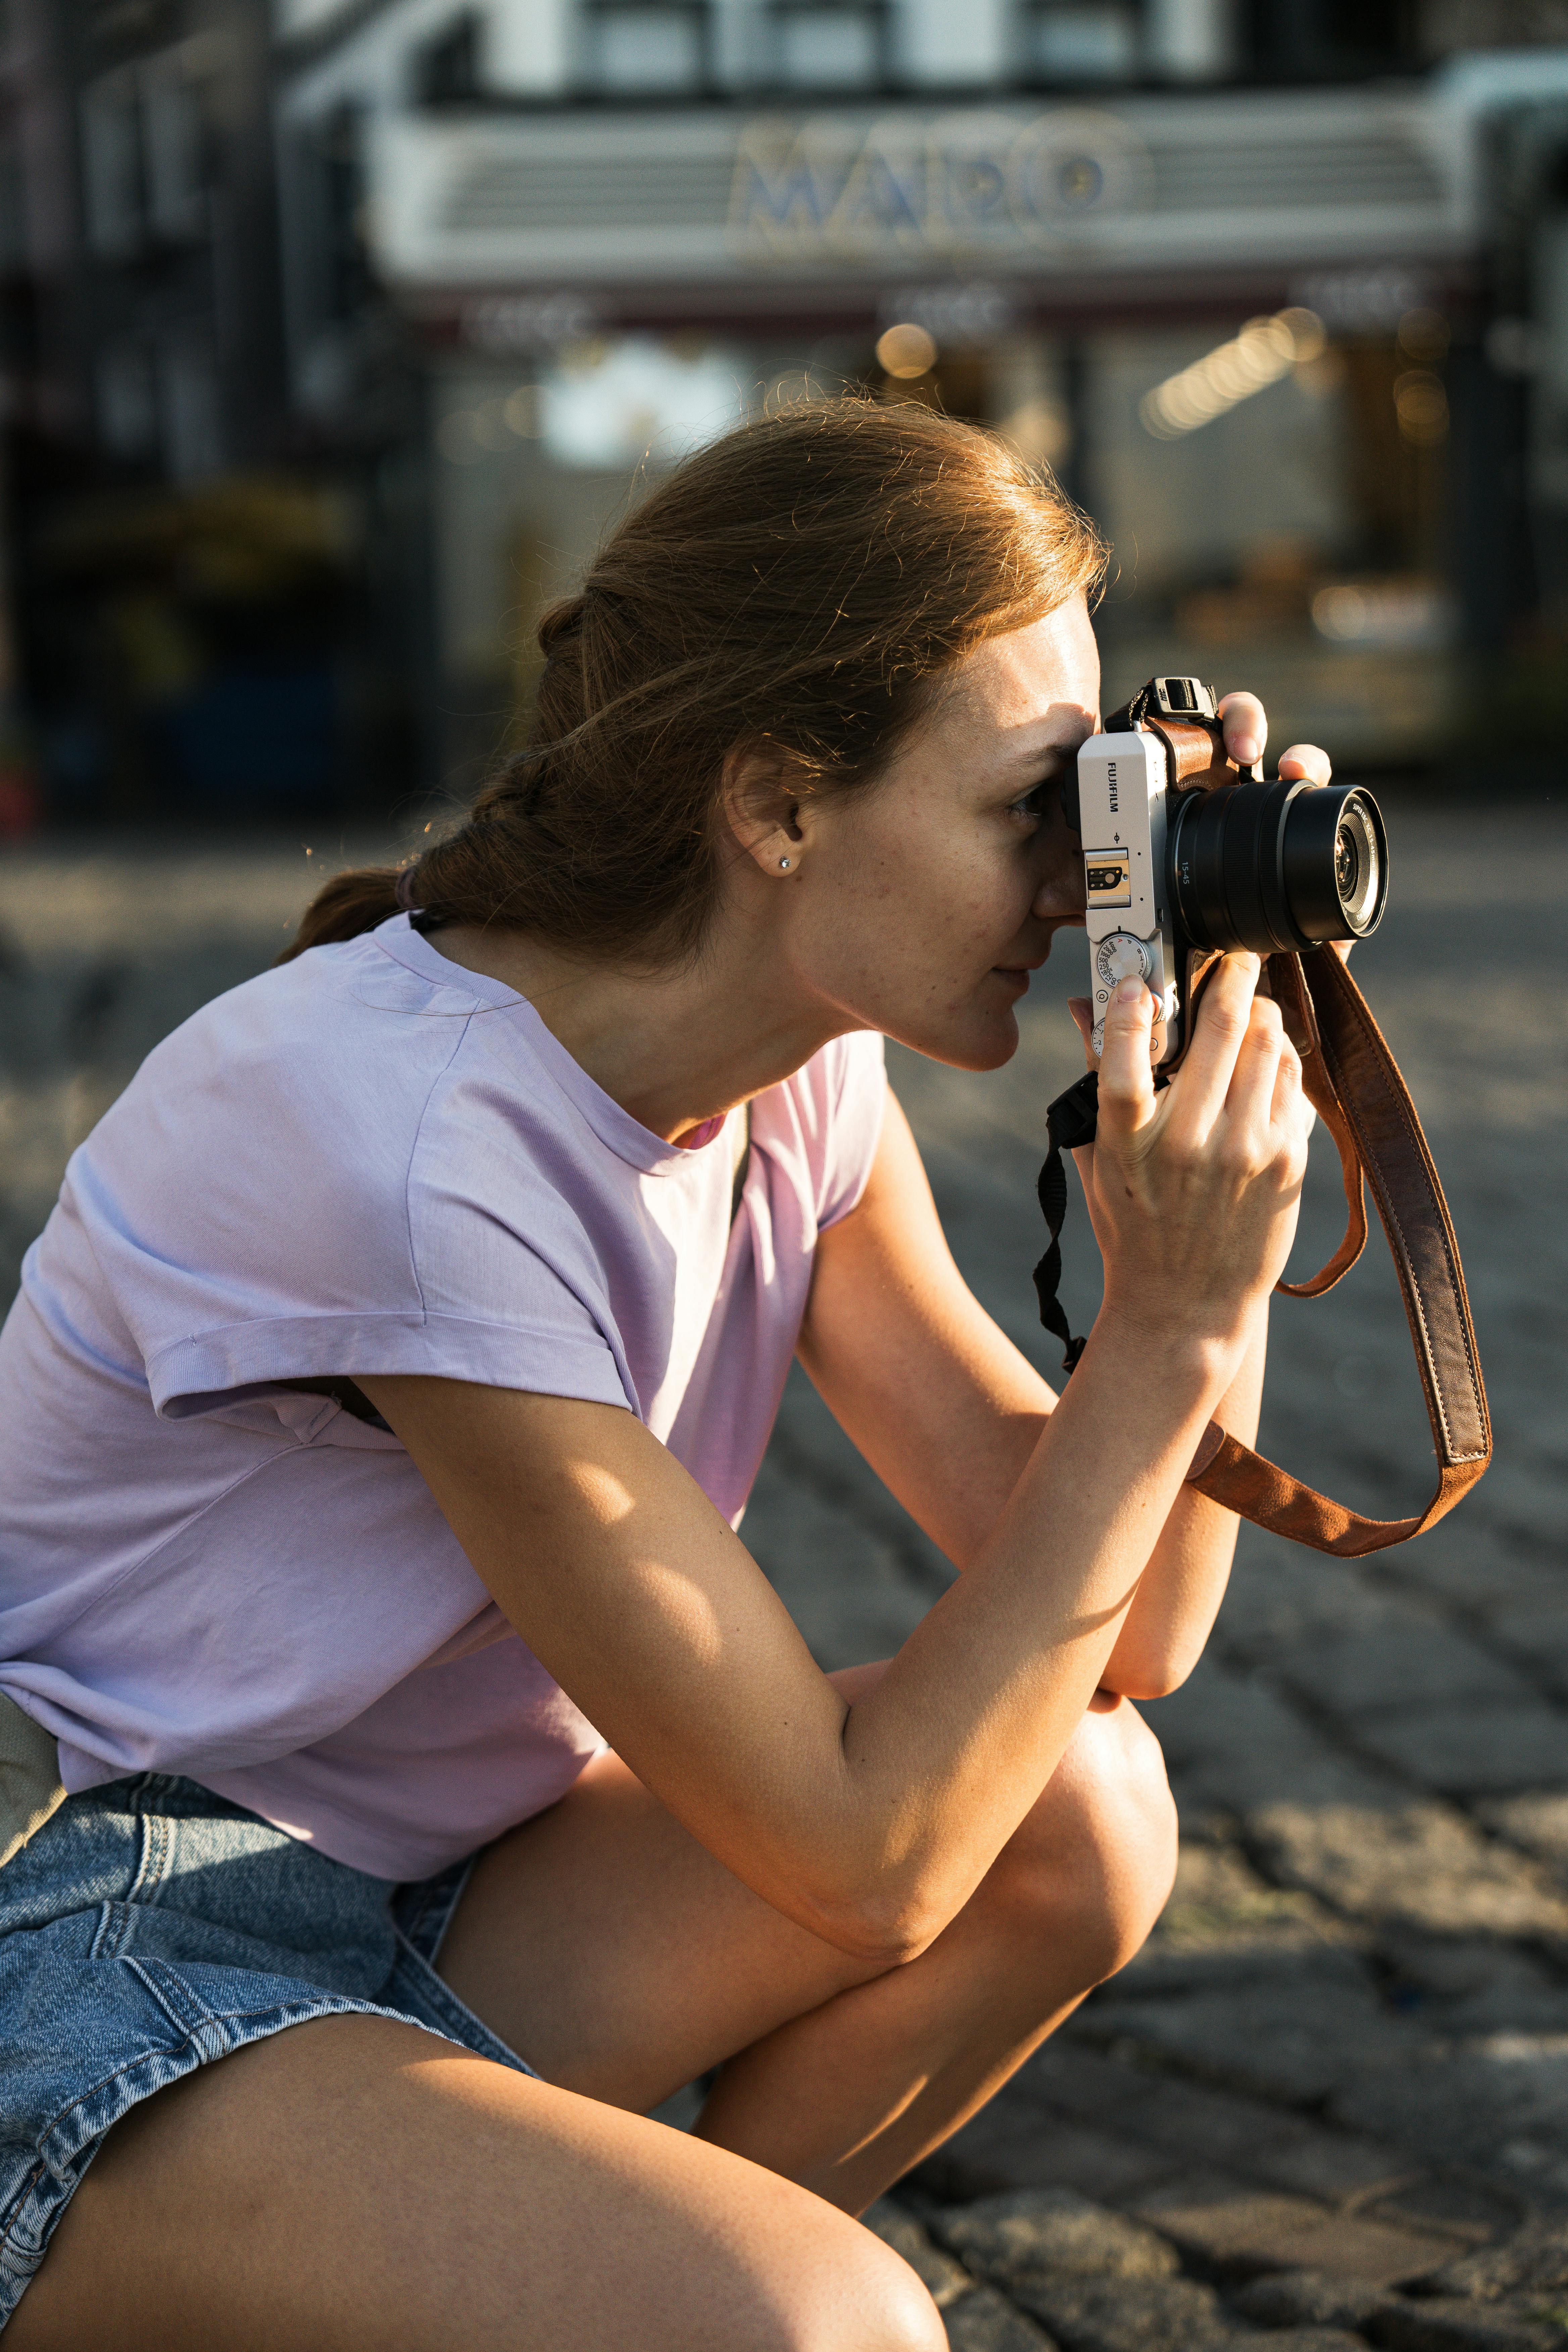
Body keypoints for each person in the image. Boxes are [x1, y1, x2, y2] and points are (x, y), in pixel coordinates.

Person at [0, 398, 1325, 2351]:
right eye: (1029, 808)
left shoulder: (799, 1071)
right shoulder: (412, 1143)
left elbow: (1135, 1640)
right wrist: (1165, 1336)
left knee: (1086, 1807)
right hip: (128, 1955)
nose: (1072, 879)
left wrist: (1212, 1094)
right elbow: (868, 1864)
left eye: (1097, 803)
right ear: (780, 805)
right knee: (825, 2326)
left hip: (465, 1892)